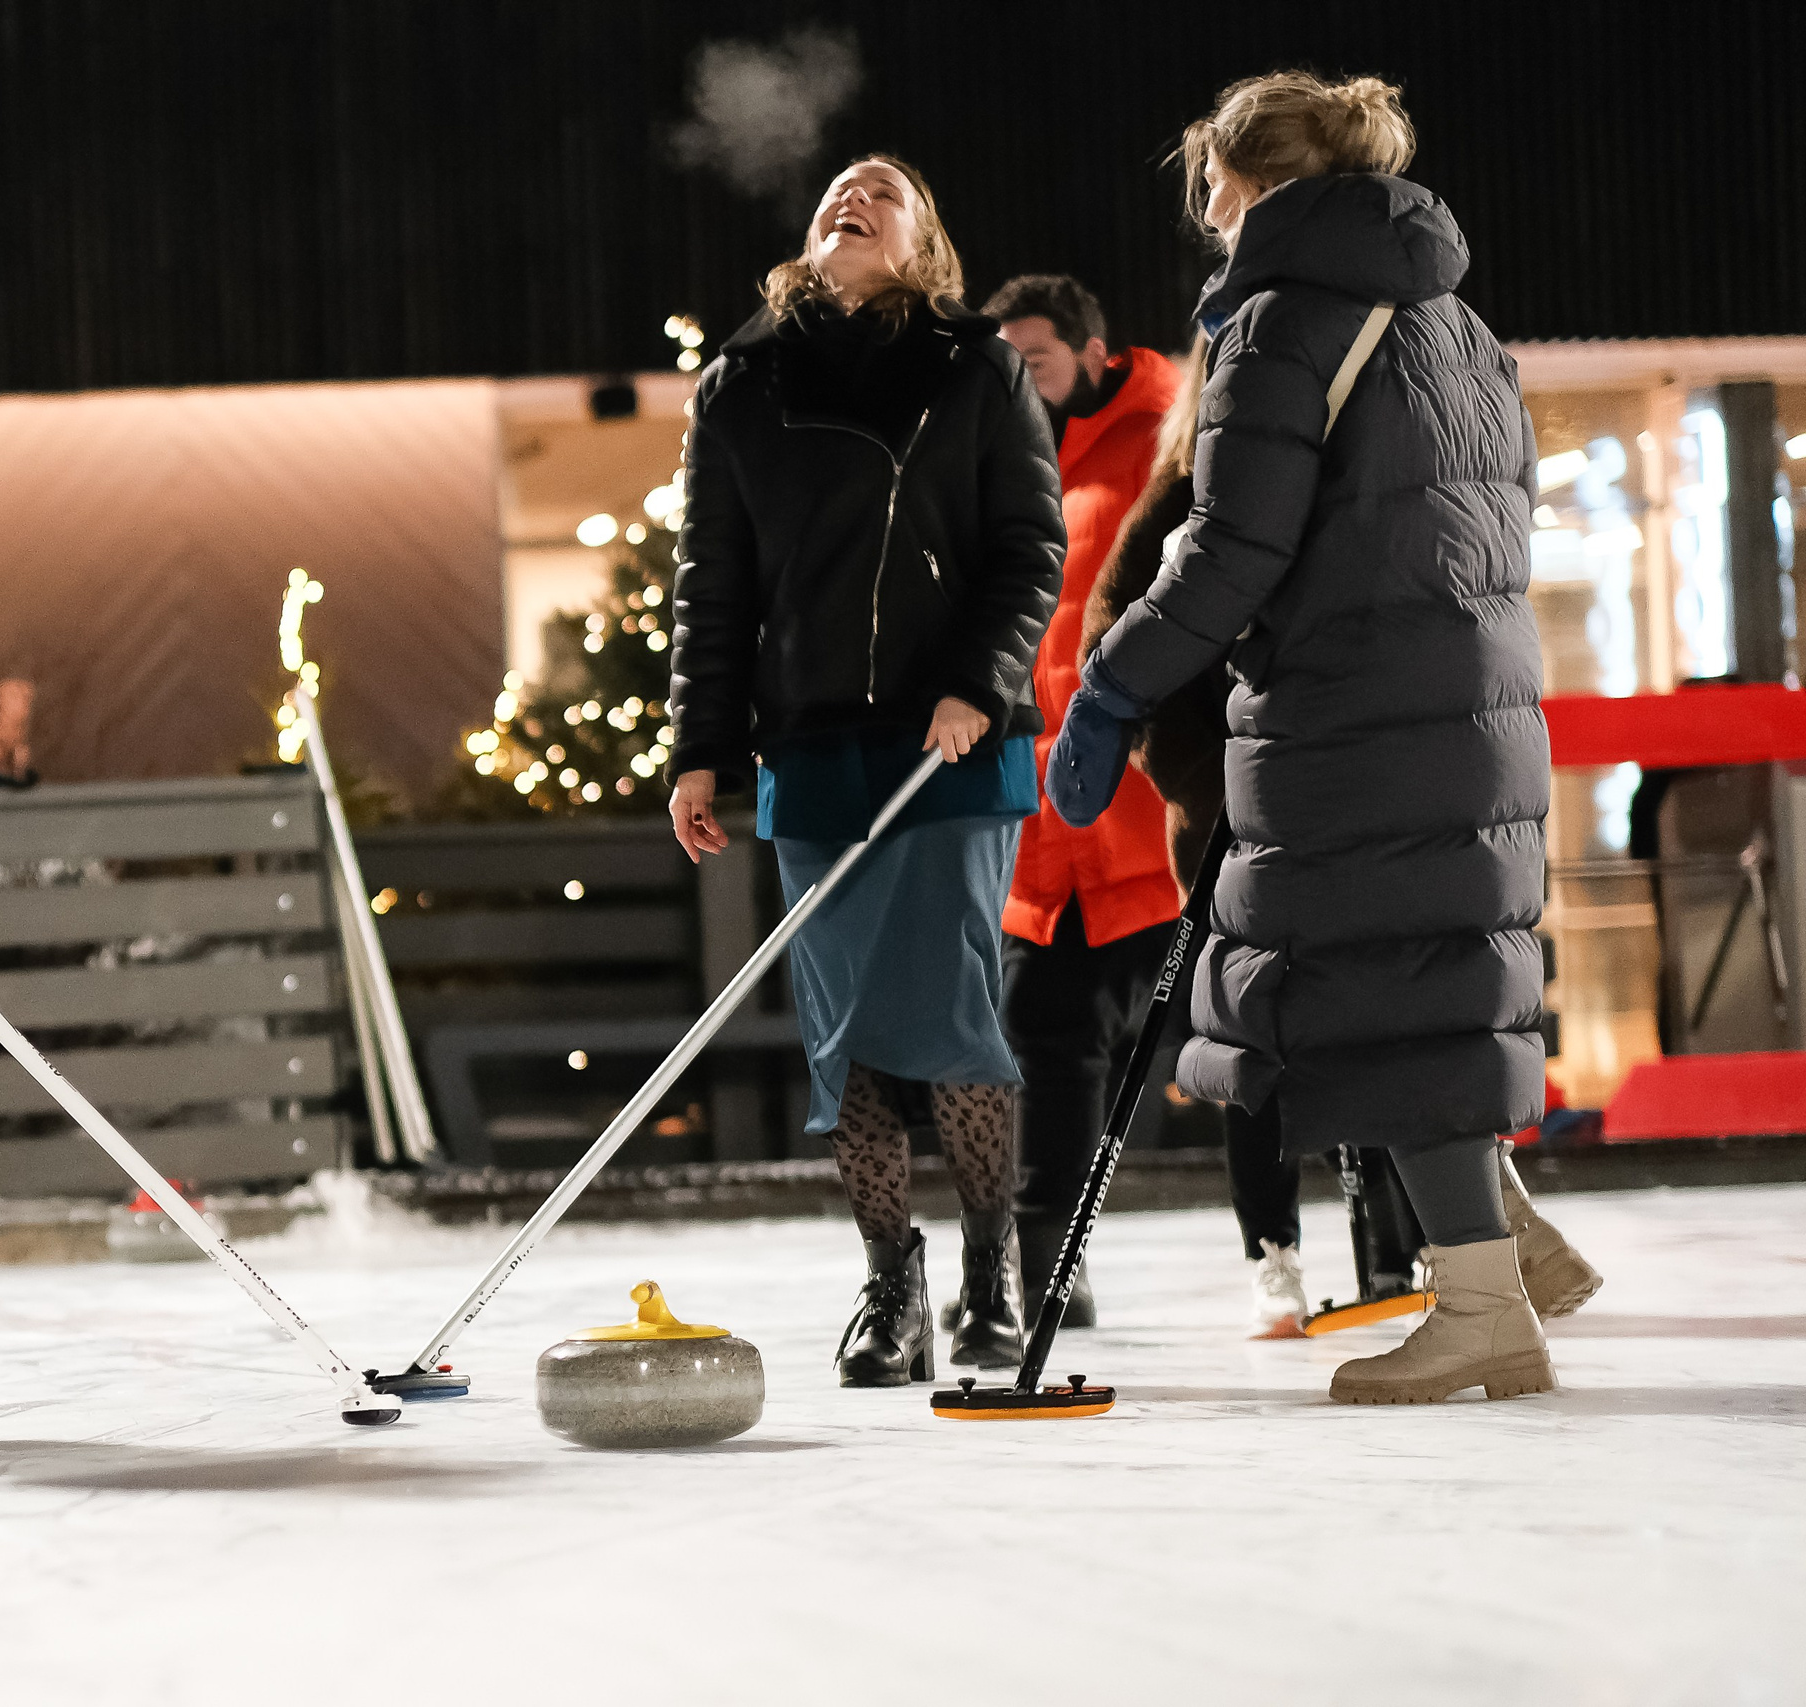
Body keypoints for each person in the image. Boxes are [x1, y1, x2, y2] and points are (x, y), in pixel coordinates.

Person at [1049, 73, 1561, 1404]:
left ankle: (1485, 1300)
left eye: (1208, 182)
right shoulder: (1450, 314)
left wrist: (1111, 684)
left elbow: (1230, 551)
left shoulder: (1282, 319)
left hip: (1355, 711)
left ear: (1250, 177)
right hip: (1469, 702)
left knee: (1368, 994)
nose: (1203, 211)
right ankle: (1514, 1243)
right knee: (1425, 977)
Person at [1087, 339, 1602, 1339]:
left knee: (1367, 1020)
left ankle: (1456, 1242)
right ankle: (1287, 1252)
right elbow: (1133, 640)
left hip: (1329, 800)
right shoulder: (1184, 497)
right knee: (1264, 1043)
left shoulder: (1331, 484)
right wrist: (1212, 780)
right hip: (1238, 825)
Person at [668, 156, 1066, 1383]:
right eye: (840, 189)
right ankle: (890, 1283)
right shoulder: (740, 384)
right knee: (844, 1045)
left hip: (949, 747)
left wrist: (981, 683)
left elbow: (1028, 546)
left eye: (883, 194)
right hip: (813, 751)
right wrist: (698, 745)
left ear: (922, 243)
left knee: (949, 1019)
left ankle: (989, 1271)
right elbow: (713, 585)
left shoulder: (974, 366)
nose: (855, 198)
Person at [978, 274, 1183, 1334]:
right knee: (1043, 1040)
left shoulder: (1167, 440)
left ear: (1094, 353)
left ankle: (1383, 1236)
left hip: (1145, 811)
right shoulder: (998, 455)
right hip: (1042, 822)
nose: (1020, 379)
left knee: (1227, 1034)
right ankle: (1046, 1264)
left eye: (1039, 360)